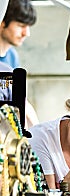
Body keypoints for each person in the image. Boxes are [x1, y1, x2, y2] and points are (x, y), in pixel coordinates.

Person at [0, 0, 39, 128]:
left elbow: (23, 102)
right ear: (2, 22)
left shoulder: (12, 56)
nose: (26, 33)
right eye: (21, 25)